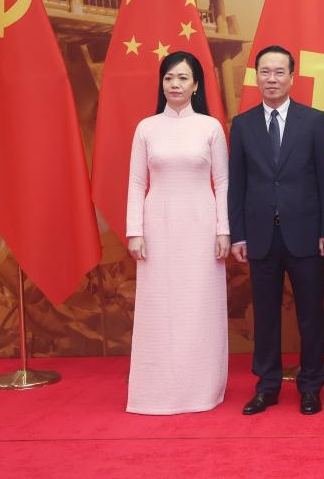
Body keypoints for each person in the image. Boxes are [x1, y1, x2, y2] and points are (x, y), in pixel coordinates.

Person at [228, 45, 324, 416]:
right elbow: (237, 185)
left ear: (292, 77)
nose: (271, 79)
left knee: (310, 314)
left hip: (306, 233)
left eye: (279, 72)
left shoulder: (313, 120)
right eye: (265, 72)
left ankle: (310, 386)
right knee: (266, 316)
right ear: (255, 76)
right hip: (260, 235)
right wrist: (238, 234)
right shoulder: (242, 125)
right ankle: (267, 386)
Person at [126, 51, 230, 415]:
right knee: (160, 305)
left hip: (201, 225)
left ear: (196, 85)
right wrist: (134, 231)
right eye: (169, 78)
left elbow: (222, 181)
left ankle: (203, 387)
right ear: (162, 83)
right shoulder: (146, 128)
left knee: (199, 304)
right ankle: (157, 387)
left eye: (183, 78)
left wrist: (224, 230)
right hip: (158, 225)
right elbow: (138, 182)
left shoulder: (210, 127)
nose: (175, 84)